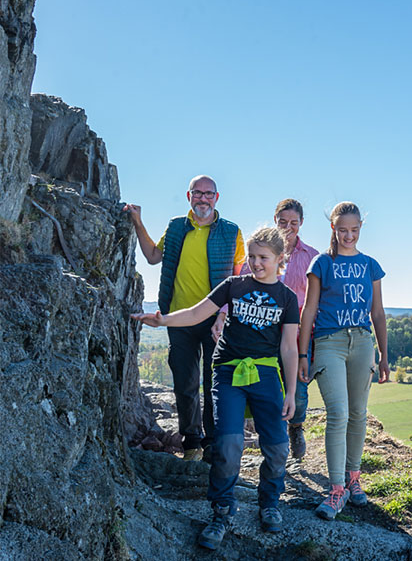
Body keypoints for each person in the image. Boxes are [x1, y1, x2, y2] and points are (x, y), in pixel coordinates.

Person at [132, 227, 299, 550]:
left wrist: (291, 392)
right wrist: (162, 320)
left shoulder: (287, 298)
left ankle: (269, 502)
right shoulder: (233, 286)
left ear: (281, 259)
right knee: (228, 444)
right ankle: (221, 511)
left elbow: (289, 348)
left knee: (278, 448)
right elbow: (197, 313)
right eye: (251, 256)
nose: (255, 263)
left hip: (265, 375)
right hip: (228, 372)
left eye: (263, 258)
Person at [124, 175, 245, 461]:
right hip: (178, 318)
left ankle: (213, 445)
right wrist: (138, 223)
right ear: (189, 196)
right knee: (185, 383)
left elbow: (239, 277)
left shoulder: (231, 231)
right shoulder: (177, 227)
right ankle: (191, 443)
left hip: (216, 321)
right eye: (197, 193)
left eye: (209, 194)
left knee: (213, 383)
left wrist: (225, 313)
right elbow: (154, 256)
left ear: (217, 197)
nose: (203, 198)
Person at [298, 201, 389, 520]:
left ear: (360, 228)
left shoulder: (370, 266)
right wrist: (301, 354)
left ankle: (354, 479)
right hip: (328, 343)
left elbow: (377, 313)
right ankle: (336, 489)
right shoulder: (321, 263)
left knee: (358, 413)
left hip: (363, 343)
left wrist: (384, 356)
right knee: (337, 413)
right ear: (333, 229)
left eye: (354, 230)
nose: (349, 235)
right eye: (342, 230)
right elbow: (308, 310)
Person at [213, 198, 318, 459]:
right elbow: (239, 289)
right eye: (283, 221)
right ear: (275, 221)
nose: (288, 227)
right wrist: (222, 315)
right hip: (262, 330)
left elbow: (318, 296)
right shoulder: (258, 251)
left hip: (298, 332)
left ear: (301, 223)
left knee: (298, 389)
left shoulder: (312, 257)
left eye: (294, 222)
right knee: (270, 388)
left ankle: (295, 427)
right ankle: (275, 443)